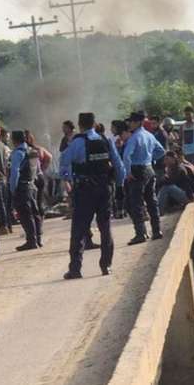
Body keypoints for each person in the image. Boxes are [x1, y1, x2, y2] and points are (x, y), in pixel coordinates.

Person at [60, 113, 126, 279]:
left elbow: (64, 162)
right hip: (104, 189)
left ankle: (75, 269)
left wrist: (67, 179)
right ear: (95, 123)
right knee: (105, 228)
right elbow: (119, 166)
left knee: (79, 230)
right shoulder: (106, 140)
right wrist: (119, 186)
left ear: (80, 125)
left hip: (84, 190)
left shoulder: (77, 142)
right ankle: (106, 266)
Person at [124, 111, 166, 245]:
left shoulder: (134, 137)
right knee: (152, 201)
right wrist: (150, 160)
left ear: (137, 122)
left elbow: (126, 156)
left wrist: (128, 171)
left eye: (131, 122)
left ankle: (140, 233)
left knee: (136, 203)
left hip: (137, 170)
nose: (129, 124)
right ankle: (156, 231)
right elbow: (161, 151)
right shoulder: (149, 135)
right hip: (149, 168)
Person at [10, 130, 42, 251]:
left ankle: (31, 241)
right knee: (35, 213)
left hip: (22, 187)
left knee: (25, 215)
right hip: (32, 185)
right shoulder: (32, 151)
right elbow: (38, 169)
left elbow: (15, 172)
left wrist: (13, 189)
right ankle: (38, 239)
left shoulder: (18, 153)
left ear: (15, 140)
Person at [25, 131, 52, 234]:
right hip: (40, 177)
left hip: (32, 179)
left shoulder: (27, 150)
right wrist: (43, 169)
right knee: (39, 202)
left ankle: (37, 229)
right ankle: (39, 227)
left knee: (33, 204)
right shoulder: (38, 149)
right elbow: (49, 157)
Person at [0, 128, 14, 235]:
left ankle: (3, 226)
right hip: (4, 177)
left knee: (0, 203)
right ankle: (8, 225)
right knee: (5, 203)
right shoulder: (3, 146)